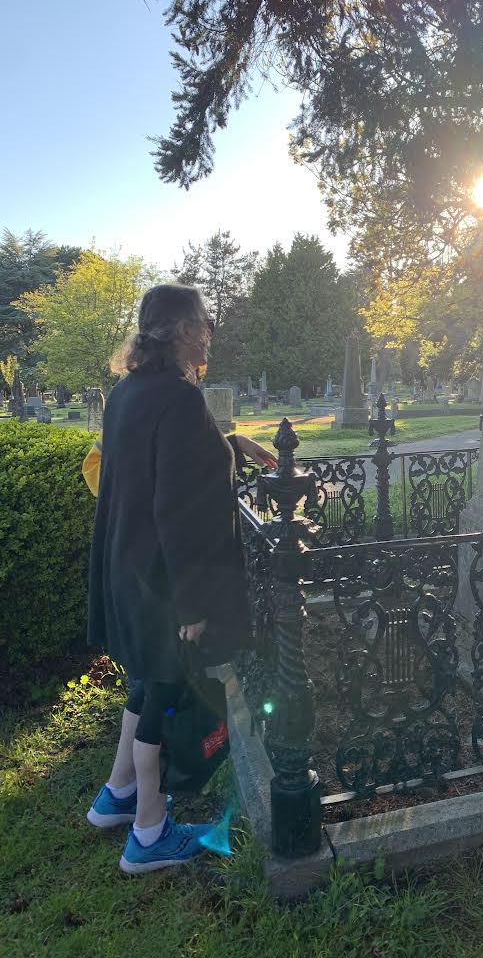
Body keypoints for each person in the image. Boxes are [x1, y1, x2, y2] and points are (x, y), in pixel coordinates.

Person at [85, 284, 277, 874]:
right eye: (205, 325)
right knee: (164, 694)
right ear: (184, 331)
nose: (209, 336)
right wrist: (192, 605)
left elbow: (163, 463)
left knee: (145, 683)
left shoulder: (130, 392)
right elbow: (177, 509)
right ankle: (148, 834)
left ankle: (117, 794)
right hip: (167, 583)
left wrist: (232, 444)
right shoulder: (180, 398)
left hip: (131, 570)